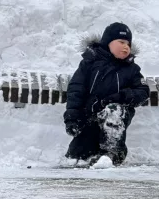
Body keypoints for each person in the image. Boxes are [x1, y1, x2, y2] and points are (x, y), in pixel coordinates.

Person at [63, 22, 150, 166]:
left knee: (113, 111)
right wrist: (72, 118)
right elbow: (76, 89)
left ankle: (113, 154)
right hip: (91, 115)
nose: (126, 47)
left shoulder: (131, 69)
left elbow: (143, 91)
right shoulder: (89, 63)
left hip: (117, 115)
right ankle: (89, 154)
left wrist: (120, 97)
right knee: (76, 155)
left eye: (128, 44)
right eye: (121, 42)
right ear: (107, 43)